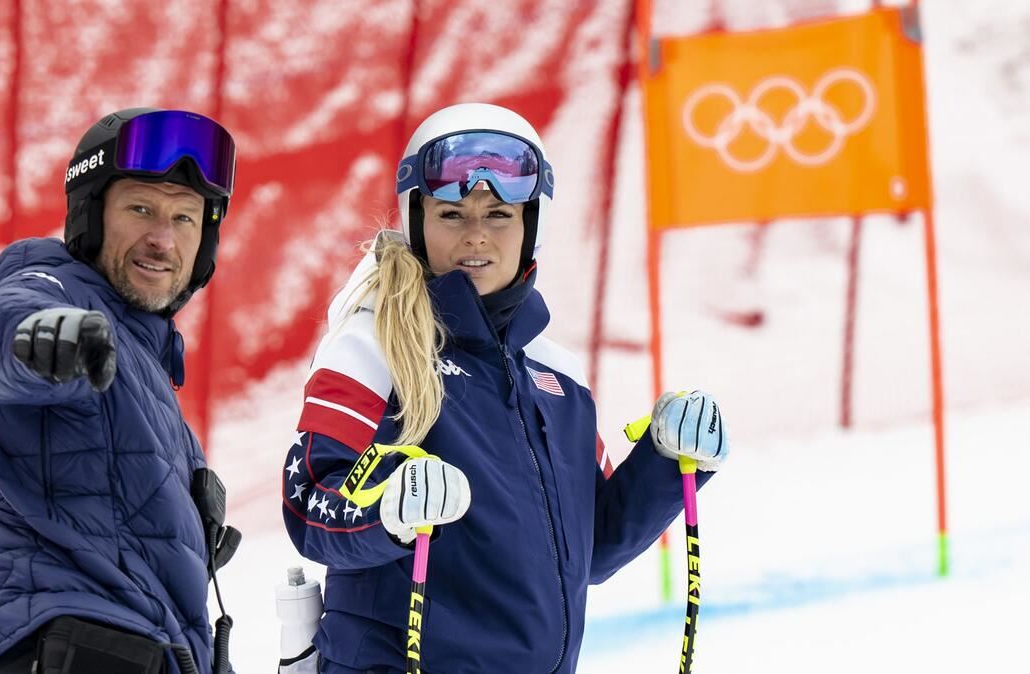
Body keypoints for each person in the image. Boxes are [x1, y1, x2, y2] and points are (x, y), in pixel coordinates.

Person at [281, 103, 729, 673]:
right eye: (450, 214)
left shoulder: (558, 376)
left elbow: (588, 547)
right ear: (417, 222)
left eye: (498, 215)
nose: (476, 237)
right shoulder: (375, 345)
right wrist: (388, 511)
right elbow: (309, 505)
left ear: (529, 228)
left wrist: (669, 462)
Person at [0, 108, 241, 674]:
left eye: (184, 218)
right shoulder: (53, 286)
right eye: (140, 209)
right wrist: (39, 342)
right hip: (62, 640)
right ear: (92, 215)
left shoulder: (144, 364)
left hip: (140, 648)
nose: (162, 239)